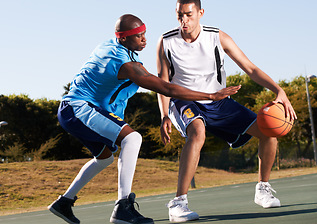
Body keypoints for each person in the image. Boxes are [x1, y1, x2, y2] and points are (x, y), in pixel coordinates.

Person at [47, 14, 241, 224]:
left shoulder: (118, 49)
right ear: (122, 38)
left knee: (105, 157)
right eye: (137, 36)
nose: (144, 39)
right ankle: (123, 207)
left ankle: (64, 202)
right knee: (133, 138)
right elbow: (165, 87)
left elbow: (153, 80)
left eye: (144, 34)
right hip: (78, 108)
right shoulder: (124, 63)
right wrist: (210, 96)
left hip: (75, 109)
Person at [156, 0, 297, 223]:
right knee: (197, 132)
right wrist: (164, 115)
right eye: (180, 15)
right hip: (185, 102)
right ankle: (178, 203)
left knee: (269, 131)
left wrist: (278, 90)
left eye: (189, 15)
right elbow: (162, 82)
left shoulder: (217, 37)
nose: (184, 20)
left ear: (200, 13)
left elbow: (250, 68)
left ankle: (263, 188)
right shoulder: (166, 41)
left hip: (219, 101)